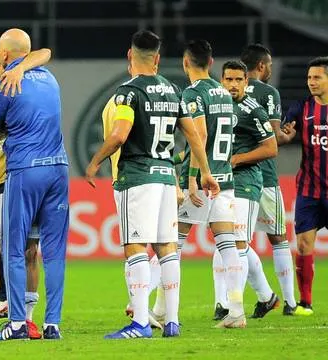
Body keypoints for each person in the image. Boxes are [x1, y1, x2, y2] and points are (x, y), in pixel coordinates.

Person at [84, 30, 219, 339]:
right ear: (158, 59)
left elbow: (119, 134)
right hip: (164, 178)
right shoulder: (173, 90)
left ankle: (141, 323)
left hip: (138, 177)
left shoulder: (128, 92)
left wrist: (95, 162)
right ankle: (171, 321)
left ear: (130, 56)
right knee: (167, 249)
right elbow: (194, 136)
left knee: (135, 247)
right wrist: (206, 172)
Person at [0, 28, 68, 341]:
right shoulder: (51, 79)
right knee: (51, 252)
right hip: (59, 169)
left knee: (14, 250)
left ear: (5, 54)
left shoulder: (4, 85)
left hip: (26, 171)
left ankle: (15, 326)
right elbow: (43, 54)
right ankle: (52, 324)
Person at [171, 40, 245, 327]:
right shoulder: (223, 93)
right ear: (212, 63)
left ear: (185, 62)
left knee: (172, 243)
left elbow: (198, 135)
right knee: (228, 246)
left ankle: (158, 309)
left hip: (205, 179)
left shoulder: (193, 93)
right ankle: (236, 310)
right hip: (225, 178)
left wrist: (192, 177)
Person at [238, 44, 309, 317]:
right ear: (259, 66)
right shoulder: (268, 93)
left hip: (234, 179)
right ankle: (290, 302)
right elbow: (275, 138)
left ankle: (229, 303)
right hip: (264, 175)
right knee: (278, 239)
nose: (270, 69)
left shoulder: (229, 95)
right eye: (268, 65)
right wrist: (288, 134)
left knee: (231, 240)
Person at [218, 60, 278, 318]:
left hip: (246, 181)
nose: (233, 84)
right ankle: (267, 296)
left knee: (237, 243)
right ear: (222, 80)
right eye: (228, 79)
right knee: (233, 243)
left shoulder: (254, 111)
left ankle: (232, 306)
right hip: (223, 182)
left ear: (246, 81)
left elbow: (271, 148)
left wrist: (236, 160)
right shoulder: (218, 106)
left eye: (238, 80)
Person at [283, 56, 328, 313]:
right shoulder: (302, 107)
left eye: (317, 77)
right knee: (302, 245)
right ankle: (306, 302)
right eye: (309, 77)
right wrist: (284, 136)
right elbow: (285, 132)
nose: (311, 82)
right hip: (309, 190)